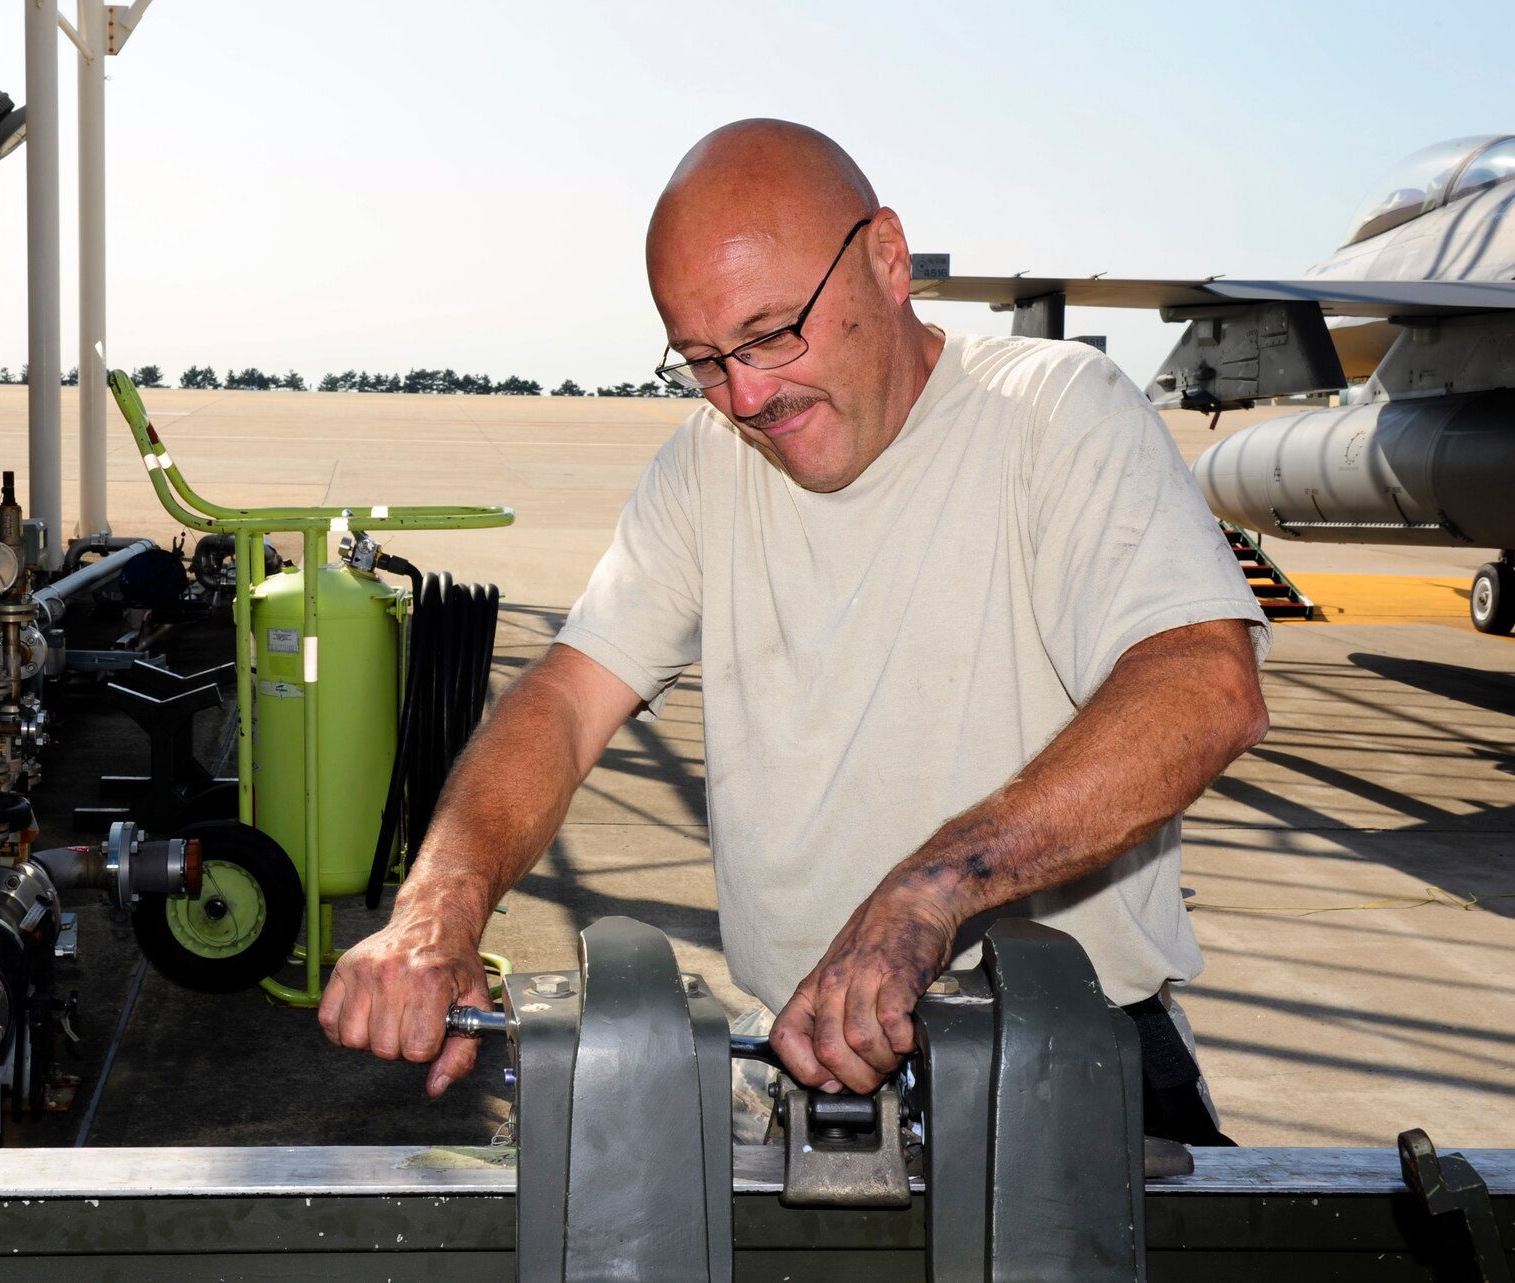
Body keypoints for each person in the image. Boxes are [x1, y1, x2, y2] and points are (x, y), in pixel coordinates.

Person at [318, 119, 1270, 1144]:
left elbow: (1198, 683)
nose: (747, 396)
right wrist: (437, 906)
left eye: (772, 334)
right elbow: (562, 700)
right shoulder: (703, 468)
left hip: (1063, 1064)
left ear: (886, 258)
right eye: (701, 360)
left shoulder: (1050, 414)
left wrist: (925, 895)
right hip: (803, 1074)